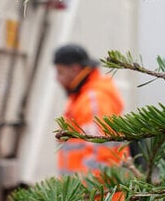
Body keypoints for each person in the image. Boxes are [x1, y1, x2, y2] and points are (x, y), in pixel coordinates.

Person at [53, 43, 128, 177]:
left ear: (74, 69)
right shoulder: (82, 96)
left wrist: (84, 193)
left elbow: (101, 155)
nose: (57, 78)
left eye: (60, 72)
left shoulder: (93, 100)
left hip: (98, 195)